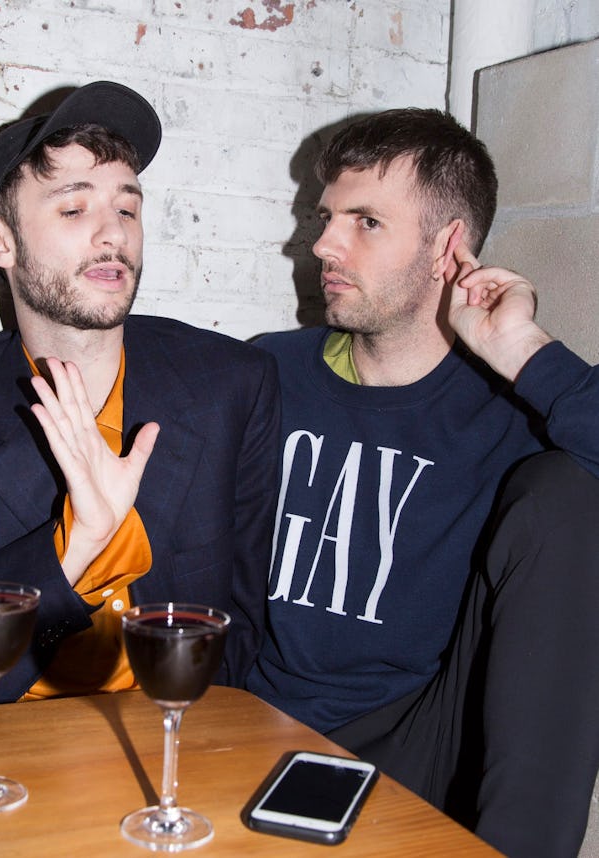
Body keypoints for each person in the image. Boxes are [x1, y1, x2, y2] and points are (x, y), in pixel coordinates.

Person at [246, 108, 599, 858]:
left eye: (365, 221)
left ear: (448, 247)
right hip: (248, 721)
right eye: (325, 216)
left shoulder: (506, 414)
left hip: (413, 740)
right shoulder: (267, 372)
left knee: (570, 495)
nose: (322, 245)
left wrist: (526, 351)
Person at [0, 81, 279, 712]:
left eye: (127, 208)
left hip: (174, 738)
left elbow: (241, 632)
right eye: (73, 209)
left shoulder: (230, 385)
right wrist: (75, 546)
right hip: (7, 746)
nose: (112, 234)